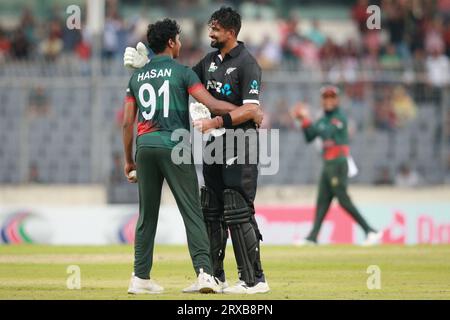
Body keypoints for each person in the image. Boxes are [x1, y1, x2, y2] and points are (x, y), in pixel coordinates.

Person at [123, 18, 262, 295]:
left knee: (146, 215)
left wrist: (129, 161)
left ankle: (140, 278)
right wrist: (246, 110)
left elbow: (127, 122)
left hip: (145, 146)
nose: (182, 43)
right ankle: (205, 275)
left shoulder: (136, 77)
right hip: (174, 145)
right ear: (172, 42)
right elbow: (210, 104)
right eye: (179, 39)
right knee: (193, 212)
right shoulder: (182, 72)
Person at [291, 85, 382, 246]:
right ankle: (313, 237)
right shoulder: (323, 119)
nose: (328, 101)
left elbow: (326, 133)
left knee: (343, 200)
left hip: (338, 163)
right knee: (322, 201)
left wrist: (306, 119)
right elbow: (310, 137)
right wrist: (302, 121)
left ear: (337, 100)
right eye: (326, 97)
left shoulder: (339, 117)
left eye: (332, 97)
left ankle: (370, 231)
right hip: (328, 163)